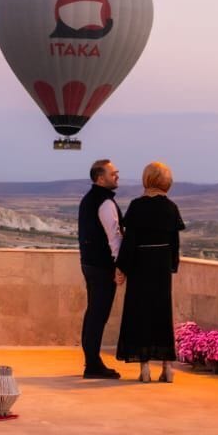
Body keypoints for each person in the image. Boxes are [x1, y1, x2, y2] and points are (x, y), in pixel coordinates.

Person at [116, 160, 185, 382]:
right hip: (161, 266)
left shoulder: (137, 206)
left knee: (140, 313)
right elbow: (175, 242)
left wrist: (122, 267)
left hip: (141, 264)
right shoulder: (171, 207)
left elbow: (130, 241)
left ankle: (144, 368)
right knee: (161, 314)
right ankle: (167, 367)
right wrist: (171, 265)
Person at [76, 159, 125, 379]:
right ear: (100, 178)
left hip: (89, 263)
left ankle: (91, 361)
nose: (117, 176)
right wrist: (119, 265)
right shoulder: (104, 202)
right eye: (113, 173)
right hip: (101, 266)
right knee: (98, 314)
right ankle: (93, 364)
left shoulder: (88, 200)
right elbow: (114, 237)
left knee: (93, 312)